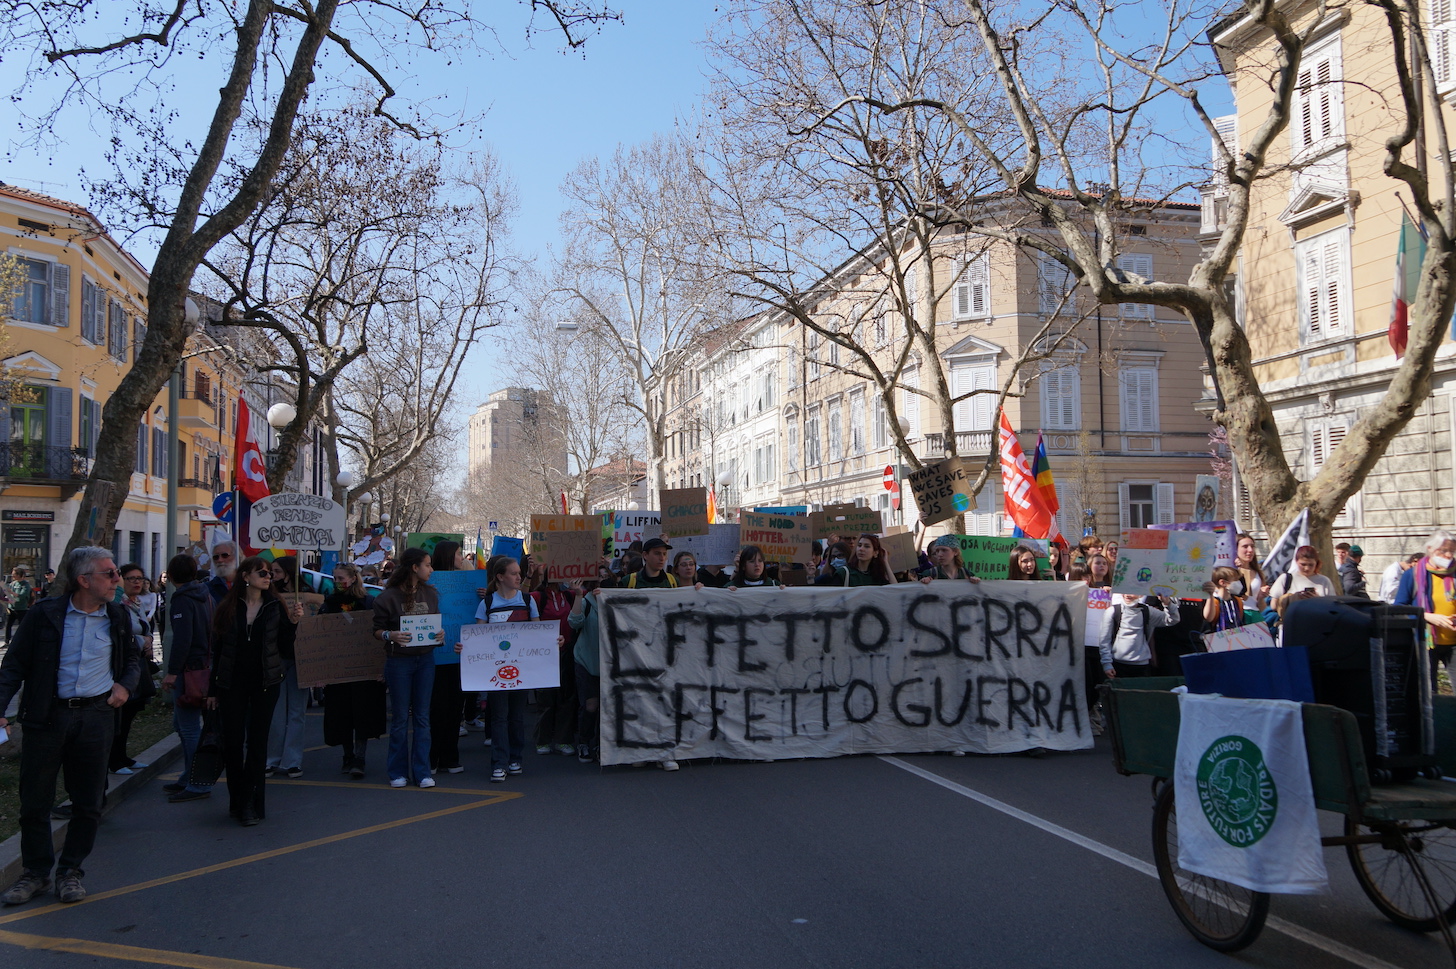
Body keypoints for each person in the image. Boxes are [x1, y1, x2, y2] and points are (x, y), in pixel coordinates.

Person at [0, 546, 141, 905]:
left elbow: (134, 661)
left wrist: (125, 685)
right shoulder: (43, 615)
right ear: (83, 580)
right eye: (108, 574)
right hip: (47, 718)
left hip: (96, 718)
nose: (116, 579)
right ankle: (35, 873)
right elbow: (13, 666)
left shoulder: (117, 617)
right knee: (35, 801)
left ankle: (71, 871)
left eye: (115, 573)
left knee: (89, 802)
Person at [210, 556, 303, 826]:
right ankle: (236, 800)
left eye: (269, 573)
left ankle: (251, 803)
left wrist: (294, 623)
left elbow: (285, 649)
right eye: (261, 572)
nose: (267, 576)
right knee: (233, 743)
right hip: (232, 684)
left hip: (266, 682)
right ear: (245, 576)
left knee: (258, 744)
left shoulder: (275, 605)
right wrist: (212, 689)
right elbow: (218, 652)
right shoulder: (228, 608)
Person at [373, 547, 443, 789]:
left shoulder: (431, 594)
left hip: (425, 659)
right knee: (401, 717)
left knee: (423, 716)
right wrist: (389, 635)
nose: (431, 569)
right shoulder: (387, 597)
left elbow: (434, 623)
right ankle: (397, 771)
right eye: (427, 565)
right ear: (415, 567)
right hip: (399, 661)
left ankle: (422, 771)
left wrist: (439, 634)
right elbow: (376, 630)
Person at [473, 556, 542, 782]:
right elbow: (478, 637)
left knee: (516, 717)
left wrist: (554, 641)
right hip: (496, 671)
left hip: (521, 669)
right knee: (500, 717)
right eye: (513, 573)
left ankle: (515, 758)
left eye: (518, 573)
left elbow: (537, 633)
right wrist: (464, 646)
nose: (518, 576)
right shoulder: (487, 604)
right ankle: (499, 763)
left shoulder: (527, 599)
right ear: (500, 577)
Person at [159, 554, 216, 803]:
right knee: (182, 725)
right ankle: (188, 775)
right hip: (204, 664)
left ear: (170, 576)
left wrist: (172, 672)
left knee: (189, 727)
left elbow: (182, 639)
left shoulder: (182, 600)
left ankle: (196, 780)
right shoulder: (205, 594)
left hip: (189, 669)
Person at [320, 564, 383, 779]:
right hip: (338, 669)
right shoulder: (329, 603)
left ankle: (360, 757)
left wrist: (378, 666)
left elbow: (376, 632)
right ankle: (347, 755)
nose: (337, 582)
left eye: (341, 578)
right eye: (334, 578)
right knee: (342, 714)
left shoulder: (368, 602)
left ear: (353, 579)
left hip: (363, 668)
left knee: (362, 714)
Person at [265, 556, 322, 779]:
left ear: (289, 572)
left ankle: (292, 761)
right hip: (277, 659)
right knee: (276, 711)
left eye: (277, 571)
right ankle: (272, 759)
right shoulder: (270, 595)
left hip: (301, 658)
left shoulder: (306, 592)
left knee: (297, 711)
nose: (273, 576)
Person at [109, 563, 157, 776]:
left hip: (137, 666)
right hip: (121, 668)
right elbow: (119, 635)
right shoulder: (116, 604)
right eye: (131, 578)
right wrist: (140, 640)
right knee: (119, 716)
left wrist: (147, 639)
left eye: (140, 578)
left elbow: (144, 628)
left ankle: (123, 756)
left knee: (129, 714)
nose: (137, 582)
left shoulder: (137, 603)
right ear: (121, 581)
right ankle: (115, 760)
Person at [426, 541, 466, 775]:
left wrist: (481, 595)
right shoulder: (428, 584)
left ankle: (450, 756)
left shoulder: (468, 584)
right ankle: (433, 756)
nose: (462, 558)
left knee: (455, 707)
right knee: (436, 708)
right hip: (434, 655)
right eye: (459, 554)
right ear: (449, 556)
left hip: (459, 653)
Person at [1395, 529, 1456, 681]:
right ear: (1430, 549)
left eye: (1452, 551)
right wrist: (1426, 616)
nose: (1448, 555)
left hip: (1453, 642)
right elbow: (1399, 607)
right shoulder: (1413, 575)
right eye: (1443, 551)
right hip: (1425, 643)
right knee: (1428, 692)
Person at [531, 573, 578, 757]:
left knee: (566, 698)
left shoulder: (569, 595)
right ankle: (543, 739)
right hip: (544, 654)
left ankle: (563, 739)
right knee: (546, 698)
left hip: (566, 651)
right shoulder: (538, 597)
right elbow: (521, 598)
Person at [1099, 592, 1177, 678]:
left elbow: (1172, 619)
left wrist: (1167, 603)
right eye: (1125, 592)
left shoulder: (1148, 611)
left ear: (1141, 595)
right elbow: (1104, 640)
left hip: (1142, 665)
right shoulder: (1112, 611)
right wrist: (1107, 664)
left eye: (1132, 592)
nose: (1127, 595)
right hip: (1117, 665)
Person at [565, 579, 602, 763]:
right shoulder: (587, 602)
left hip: (608, 664)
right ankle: (585, 742)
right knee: (590, 705)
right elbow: (574, 622)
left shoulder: (613, 603)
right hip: (586, 661)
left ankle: (602, 743)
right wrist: (578, 596)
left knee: (607, 706)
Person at [1268, 545, 1337, 618]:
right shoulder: (1286, 578)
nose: (1307, 568)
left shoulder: (1324, 581)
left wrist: (1318, 600)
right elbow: (1274, 606)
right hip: (1292, 623)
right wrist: (1293, 598)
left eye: (1311, 565)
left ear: (1316, 563)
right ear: (1296, 562)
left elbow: (1333, 607)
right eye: (1303, 564)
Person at [816, 534, 896, 586]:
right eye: (859, 545)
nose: (861, 549)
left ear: (875, 553)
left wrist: (885, 562)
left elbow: (895, 590)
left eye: (867, 546)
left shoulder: (877, 576)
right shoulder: (844, 573)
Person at [1201, 566, 1248, 633]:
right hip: (1218, 638)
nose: (1238, 583)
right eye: (1235, 580)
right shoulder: (1214, 601)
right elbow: (1209, 618)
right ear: (1222, 582)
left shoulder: (1237, 601)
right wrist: (1210, 595)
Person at [1233, 533, 1266, 610]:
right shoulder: (1228, 572)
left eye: (1252, 546)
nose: (1250, 550)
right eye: (1245, 546)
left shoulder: (1258, 574)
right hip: (1236, 616)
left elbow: (1261, 608)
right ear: (1235, 548)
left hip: (1254, 616)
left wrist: (1261, 597)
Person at [6, 566, 34, 644]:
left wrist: (12, 593)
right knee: (8, 625)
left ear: (19, 575)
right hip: (12, 608)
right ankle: (7, 641)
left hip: (21, 608)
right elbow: (8, 594)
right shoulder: (12, 584)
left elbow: (22, 595)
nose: (12, 576)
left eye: (14, 574)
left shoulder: (25, 585)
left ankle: (23, 641)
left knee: (22, 626)